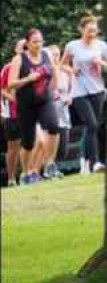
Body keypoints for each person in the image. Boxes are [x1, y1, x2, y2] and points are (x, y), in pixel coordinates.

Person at [6, 29, 61, 185]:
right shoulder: (19, 59)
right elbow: (10, 84)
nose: (38, 44)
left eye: (40, 41)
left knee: (54, 126)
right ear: (27, 43)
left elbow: (53, 70)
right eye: (35, 42)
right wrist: (28, 78)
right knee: (28, 143)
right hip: (26, 104)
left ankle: (50, 163)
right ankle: (25, 173)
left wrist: (55, 88)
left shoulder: (47, 54)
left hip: (45, 100)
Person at [62, 15, 107, 175]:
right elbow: (62, 65)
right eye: (89, 31)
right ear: (81, 29)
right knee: (92, 124)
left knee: (94, 127)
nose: (92, 34)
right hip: (79, 92)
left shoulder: (102, 46)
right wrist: (71, 70)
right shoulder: (72, 46)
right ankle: (95, 163)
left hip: (98, 90)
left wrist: (100, 63)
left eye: (95, 31)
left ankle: (86, 161)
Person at [44, 45, 72, 179]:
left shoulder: (65, 72)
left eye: (57, 54)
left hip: (64, 112)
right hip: (50, 112)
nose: (55, 56)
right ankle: (47, 170)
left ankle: (53, 168)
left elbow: (71, 89)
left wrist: (70, 97)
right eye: (52, 54)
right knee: (48, 143)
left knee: (63, 148)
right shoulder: (46, 71)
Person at [1, 40, 26, 186]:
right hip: (13, 113)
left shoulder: (33, 66)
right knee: (13, 147)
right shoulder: (8, 68)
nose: (24, 50)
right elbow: (2, 89)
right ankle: (11, 178)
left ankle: (28, 174)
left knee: (33, 143)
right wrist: (15, 100)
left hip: (31, 111)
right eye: (21, 47)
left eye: (26, 47)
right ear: (16, 50)